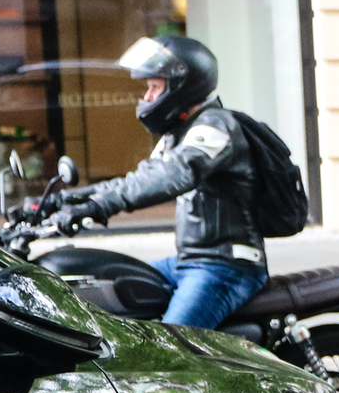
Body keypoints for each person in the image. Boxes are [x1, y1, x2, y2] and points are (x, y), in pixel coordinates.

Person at [52, 35, 267, 329]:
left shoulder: (216, 126)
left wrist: (100, 206)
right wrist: (69, 199)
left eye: (155, 87)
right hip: (188, 261)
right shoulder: (179, 131)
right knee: (111, 293)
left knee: (169, 352)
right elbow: (141, 179)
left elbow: (173, 175)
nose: (148, 97)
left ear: (182, 86)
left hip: (225, 267)